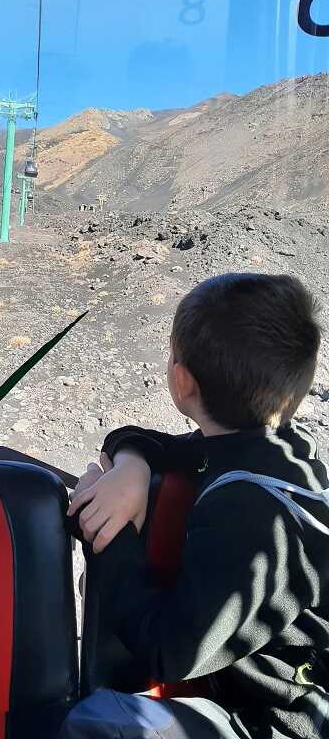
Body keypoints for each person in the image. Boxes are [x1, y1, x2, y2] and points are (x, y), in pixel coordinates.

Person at [65, 272, 329, 739]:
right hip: (240, 693)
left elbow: (169, 653)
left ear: (181, 381)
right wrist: (131, 468)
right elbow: (159, 443)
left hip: (273, 721)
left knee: (98, 722)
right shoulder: (271, 446)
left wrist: (108, 532)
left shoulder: (254, 514)